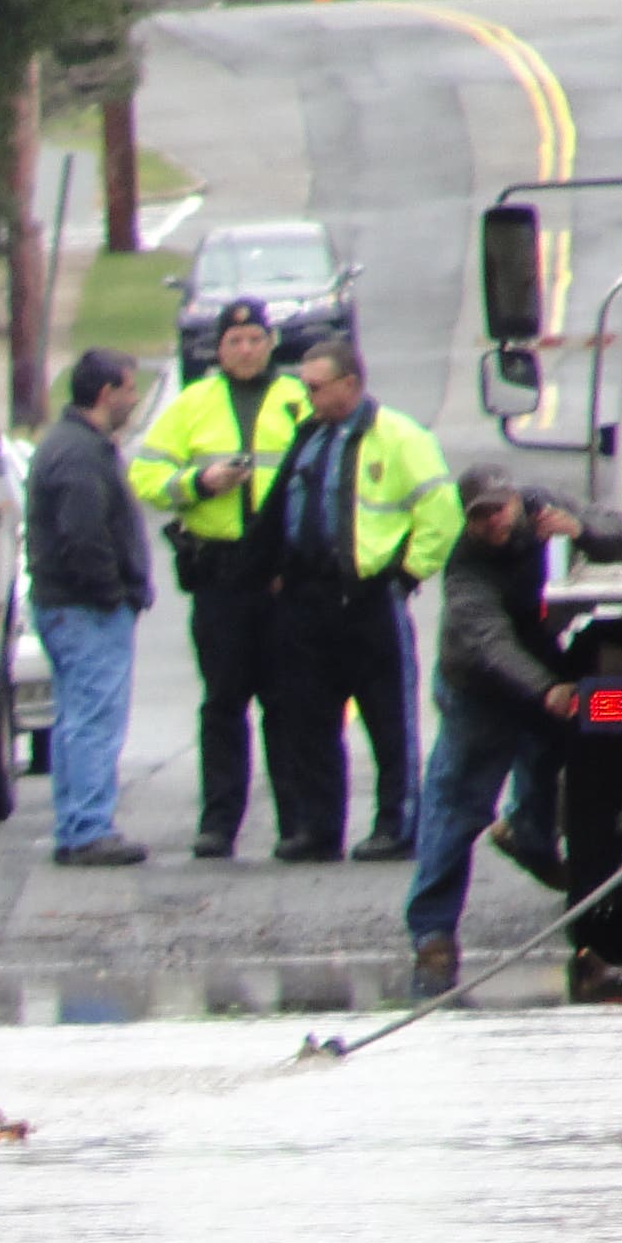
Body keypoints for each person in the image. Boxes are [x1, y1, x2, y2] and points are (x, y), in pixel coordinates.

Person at [407, 464, 622, 997]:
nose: (493, 523)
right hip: (480, 688)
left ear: (517, 499)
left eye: (499, 509)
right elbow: (491, 644)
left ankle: (528, 833)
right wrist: (545, 689)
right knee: (457, 805)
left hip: (542, 666)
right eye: (479, 517)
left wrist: (581, 532)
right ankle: (432, 935)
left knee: (573, 758)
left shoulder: (544, 505)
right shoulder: (466, 570)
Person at [251, 337, 460, 863]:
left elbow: (440, 512)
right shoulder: (310, 437)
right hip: (308, 600)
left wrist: (407, 574)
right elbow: (283, 509)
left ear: (350, 384)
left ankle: (397, 825)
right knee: (309, 721)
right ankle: (318, 829)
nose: (308, 395)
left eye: (316, 386)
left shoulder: (399, 437)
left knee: (389, 720)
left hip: (369, 600)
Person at [128, 297, 310, 858]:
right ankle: (219, 823)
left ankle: (297, 823)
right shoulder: (194, 403)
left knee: (287, 703)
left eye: (255, 339)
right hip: (221, 575)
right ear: (218, 349)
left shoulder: (297, 399)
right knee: (223, 702)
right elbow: (145, 474)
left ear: (271, 343)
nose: (246, 349)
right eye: (235, 342)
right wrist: (200, 482)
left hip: (285, 576)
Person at [24, 348, 153, 867]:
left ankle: (77, 823)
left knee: (77, 718)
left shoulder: (76, 445)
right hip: (84, 609)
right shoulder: (78, 455)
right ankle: (87, 827)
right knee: (93, 721)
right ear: (105, 394)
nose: (135, 397)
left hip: (66, 606)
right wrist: (111, 592)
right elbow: (82, 535)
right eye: (129, 388)